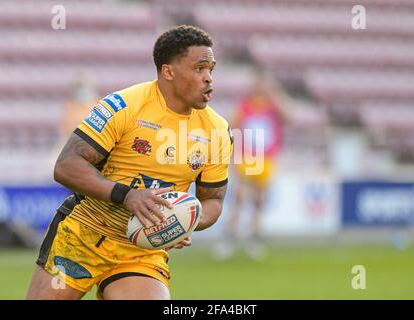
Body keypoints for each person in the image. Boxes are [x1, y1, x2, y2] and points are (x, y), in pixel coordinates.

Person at [26, 25, 233, 300]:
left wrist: (189, 220)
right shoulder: (123, 105)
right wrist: (128, 196)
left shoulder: (217, 131)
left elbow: (213, 200)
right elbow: (66, 166)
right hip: (82, 235)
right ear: (168, 71)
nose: (208, 79)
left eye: (211, 70)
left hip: (141, 251)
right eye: (199, 69)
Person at [215, 70, 288, 260]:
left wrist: (276, 97)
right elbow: (233, 127)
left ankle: (254, 236)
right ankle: (230, 236)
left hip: (266, 158)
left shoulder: (273, 106)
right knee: (239, 196)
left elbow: (287, 117)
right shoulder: (245, 106)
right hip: (248, 156)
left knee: (259, 199)